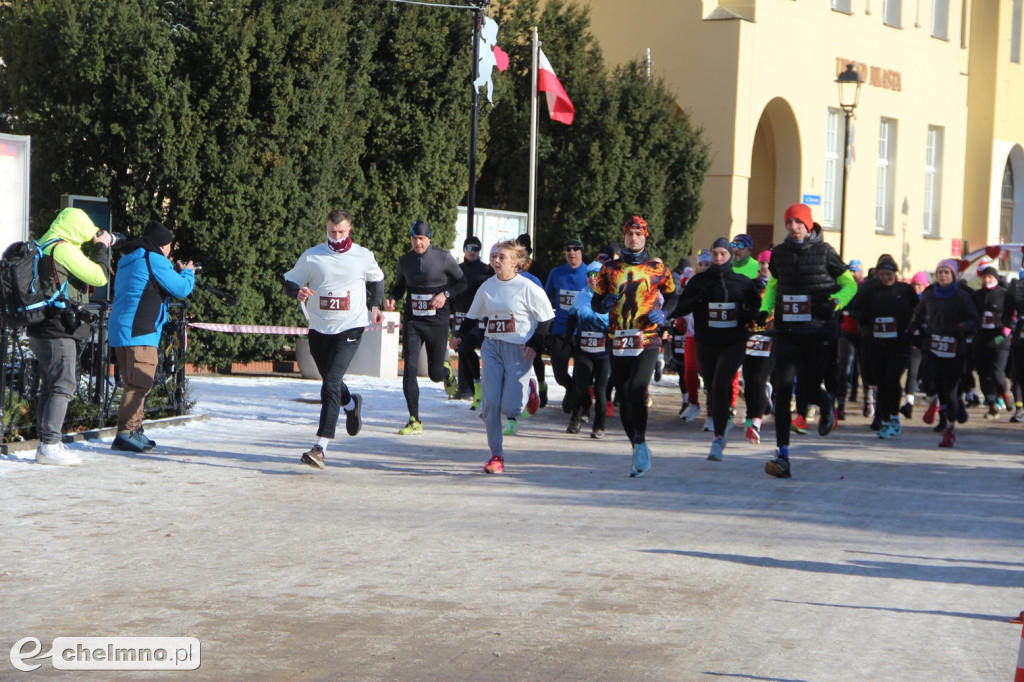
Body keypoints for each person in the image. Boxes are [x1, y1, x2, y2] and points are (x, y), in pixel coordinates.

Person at [757, 203, 857, 479]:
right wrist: (766, 309)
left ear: (809, 224)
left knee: (808, 390)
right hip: (787, 331)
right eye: (789, 223)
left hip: (818, 331)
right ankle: (783, 455)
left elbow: (851, 285)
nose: (793, 227)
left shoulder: (826, 253)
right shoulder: (779, 254)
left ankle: (824, 404)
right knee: (781, 387)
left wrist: (835, 302)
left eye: (798, 222)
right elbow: (774, 286)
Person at [283, 209, 385, 469]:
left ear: (349, 229)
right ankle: (351, 404)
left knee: (329, 383)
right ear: (326, 229)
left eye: (341, 232)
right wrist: (298, 292)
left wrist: (375, 305)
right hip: (319, 328)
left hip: (350, 327)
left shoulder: (362, 256)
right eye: (332, 232)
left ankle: (320, 447)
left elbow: (378, 279)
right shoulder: (313, 255)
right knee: (331, 380)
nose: (337, 236)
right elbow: (289, 281)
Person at [452, 239, 553, 474]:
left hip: (518, 349)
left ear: (516, 263)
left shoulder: (527, 287)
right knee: (491, 404)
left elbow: (547, 317)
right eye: (494, 256)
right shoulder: (487, 287)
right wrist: (458, 336)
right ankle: (496, 455)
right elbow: (472, 316)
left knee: (512, 408)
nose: (496, 260)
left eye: (502, 257)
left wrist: (535, 343)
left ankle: (529, 388)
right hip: (492, 347)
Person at [27, 208, 115, 466]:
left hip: (40, 327)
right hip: (58, 329)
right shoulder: (64, 249)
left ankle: (46, 441)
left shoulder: (45, 242)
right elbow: (99, 276)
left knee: (50, 385)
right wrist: (101, 247)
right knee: (64, 385)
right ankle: (49, 446)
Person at [592, 215, 677, 477]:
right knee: (625, 395)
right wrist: (603, 305)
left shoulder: (657, 268)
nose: (634, 238)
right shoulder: (609, 269)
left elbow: (673, 297)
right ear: (624, 237)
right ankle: (637, 447)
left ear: (645, 237)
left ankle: (640, 441)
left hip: (647, 337)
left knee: (638, 389)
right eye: (630, 234)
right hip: (618, 339)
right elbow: (597, 302)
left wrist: (664, 315)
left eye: (639, 234)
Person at [108, 221, 195, 453]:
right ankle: (126, 433)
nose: (169, 251)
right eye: (168, 246)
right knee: (140, 383)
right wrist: (188, 272)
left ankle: (134, 430)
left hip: (121, 329)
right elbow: (181, 289)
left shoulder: (129, 258)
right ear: (162, 245)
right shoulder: (154, 259)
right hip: (140, 331)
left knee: (134, 383)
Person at [671, 237, 760, 460]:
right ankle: (723, 420)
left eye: (723, 253)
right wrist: (664, 314)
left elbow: (757, 307)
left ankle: (718, 438)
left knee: (721, 384)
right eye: (715, 254)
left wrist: (751, 316)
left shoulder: (742, 282)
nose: (718, 258)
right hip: (706, 342)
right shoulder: (699, 282)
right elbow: (681, 306)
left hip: (733, 342)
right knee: (712, 388)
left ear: (730, 256)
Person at [385, 220, 467, 435]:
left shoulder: (443, 257)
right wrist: (393, 297)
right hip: (414, 321)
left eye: (421, 238)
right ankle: (414, 419)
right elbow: (399, 286)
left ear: (429, 238)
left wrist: (445, 294)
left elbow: (462, 283)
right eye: (414, 238)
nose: (417, 243)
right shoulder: (404, 261)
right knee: (409, 370)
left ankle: (447, 372)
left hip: (437, 321)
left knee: (435, 374)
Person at [908, 259, 980, 447]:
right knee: (929, 381)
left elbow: (974, 320)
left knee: (949, 391)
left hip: (955, 349)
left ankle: (949, 429)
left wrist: (963, 328)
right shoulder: (929, 295)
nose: (943, 276)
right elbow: (918, 314)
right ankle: (933, 401)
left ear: (953, 275)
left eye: (947, 272)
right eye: (940, 272)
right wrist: (914, 329)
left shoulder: (962, 296)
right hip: (932, 345)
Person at [846, 254, 917, 438]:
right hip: (875, 342)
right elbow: (853, 309)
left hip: (899, 343)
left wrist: (913, 329)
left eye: (889, 274)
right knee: (880, 382)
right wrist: (864, 318)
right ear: (877, 274)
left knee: (892, 378)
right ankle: (886, 418)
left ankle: (894, 417)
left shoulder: (906, 290)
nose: (886, 278)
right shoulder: (869, 289)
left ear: (896, 273)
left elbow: (919, 311)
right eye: (883, 274)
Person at [544, 237, 589, 421]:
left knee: (581, 375)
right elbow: (545, 297)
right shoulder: (557, 273)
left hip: (582, 331)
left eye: (575, 249)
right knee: (559, 374)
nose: (572, 252)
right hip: (561, 329)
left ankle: (576, 407)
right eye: (568, 249)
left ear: (581, 252)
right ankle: (570, 389)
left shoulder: (590, 273)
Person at [565, 261, 611, 437]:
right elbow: (571, 319)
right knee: (580, 386)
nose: (593, 279)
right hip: (583, 348)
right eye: (589, 275)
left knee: (601, 389)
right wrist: (568, 339)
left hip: (604, 351)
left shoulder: (609, 297)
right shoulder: (580, 296)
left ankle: (599, 426)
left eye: (597, 275)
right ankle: (576, 417)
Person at [452, 235, 490, 408]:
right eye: (469, 248)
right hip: (459, 316)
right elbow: (449, 293)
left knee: (469, 348)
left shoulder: (485, 270)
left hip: (478, 319)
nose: (472, 252)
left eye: (476, 249)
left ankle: (479, 388)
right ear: (463, 250)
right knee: (462, 352)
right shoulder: (456, 270)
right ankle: (475, 391)